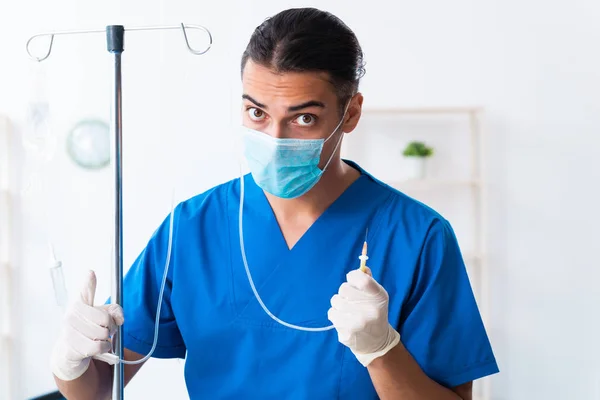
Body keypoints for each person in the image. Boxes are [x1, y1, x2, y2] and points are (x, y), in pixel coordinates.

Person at [50, 7, 498, 399]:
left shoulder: (416, 237)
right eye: (256, 112)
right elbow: (96, 391)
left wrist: (383, 351)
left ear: (351, 113)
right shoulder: (193, 228)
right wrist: (70, 361)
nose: (275, 139)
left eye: (304, 118)